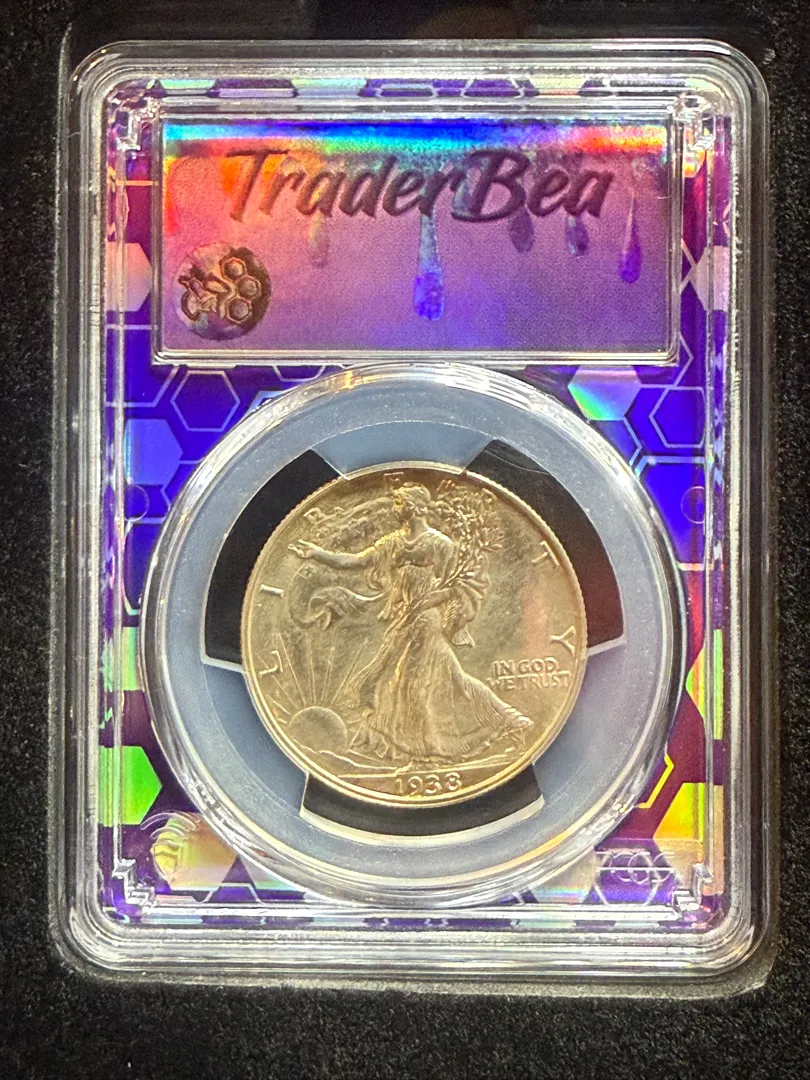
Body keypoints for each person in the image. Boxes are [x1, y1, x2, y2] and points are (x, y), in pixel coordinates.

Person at [289, 482, 531, 764]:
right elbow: (355, 561)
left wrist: (429, 601)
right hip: (402, 618)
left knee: (415, 683)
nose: (395, 509)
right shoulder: (392, 542)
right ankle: (424, 746)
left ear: (415, 507)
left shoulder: (441, 544)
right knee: (410, 682)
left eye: (399, 503)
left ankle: (487, 727)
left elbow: (459, 585)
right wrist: (317, 554)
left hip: (425, 621)